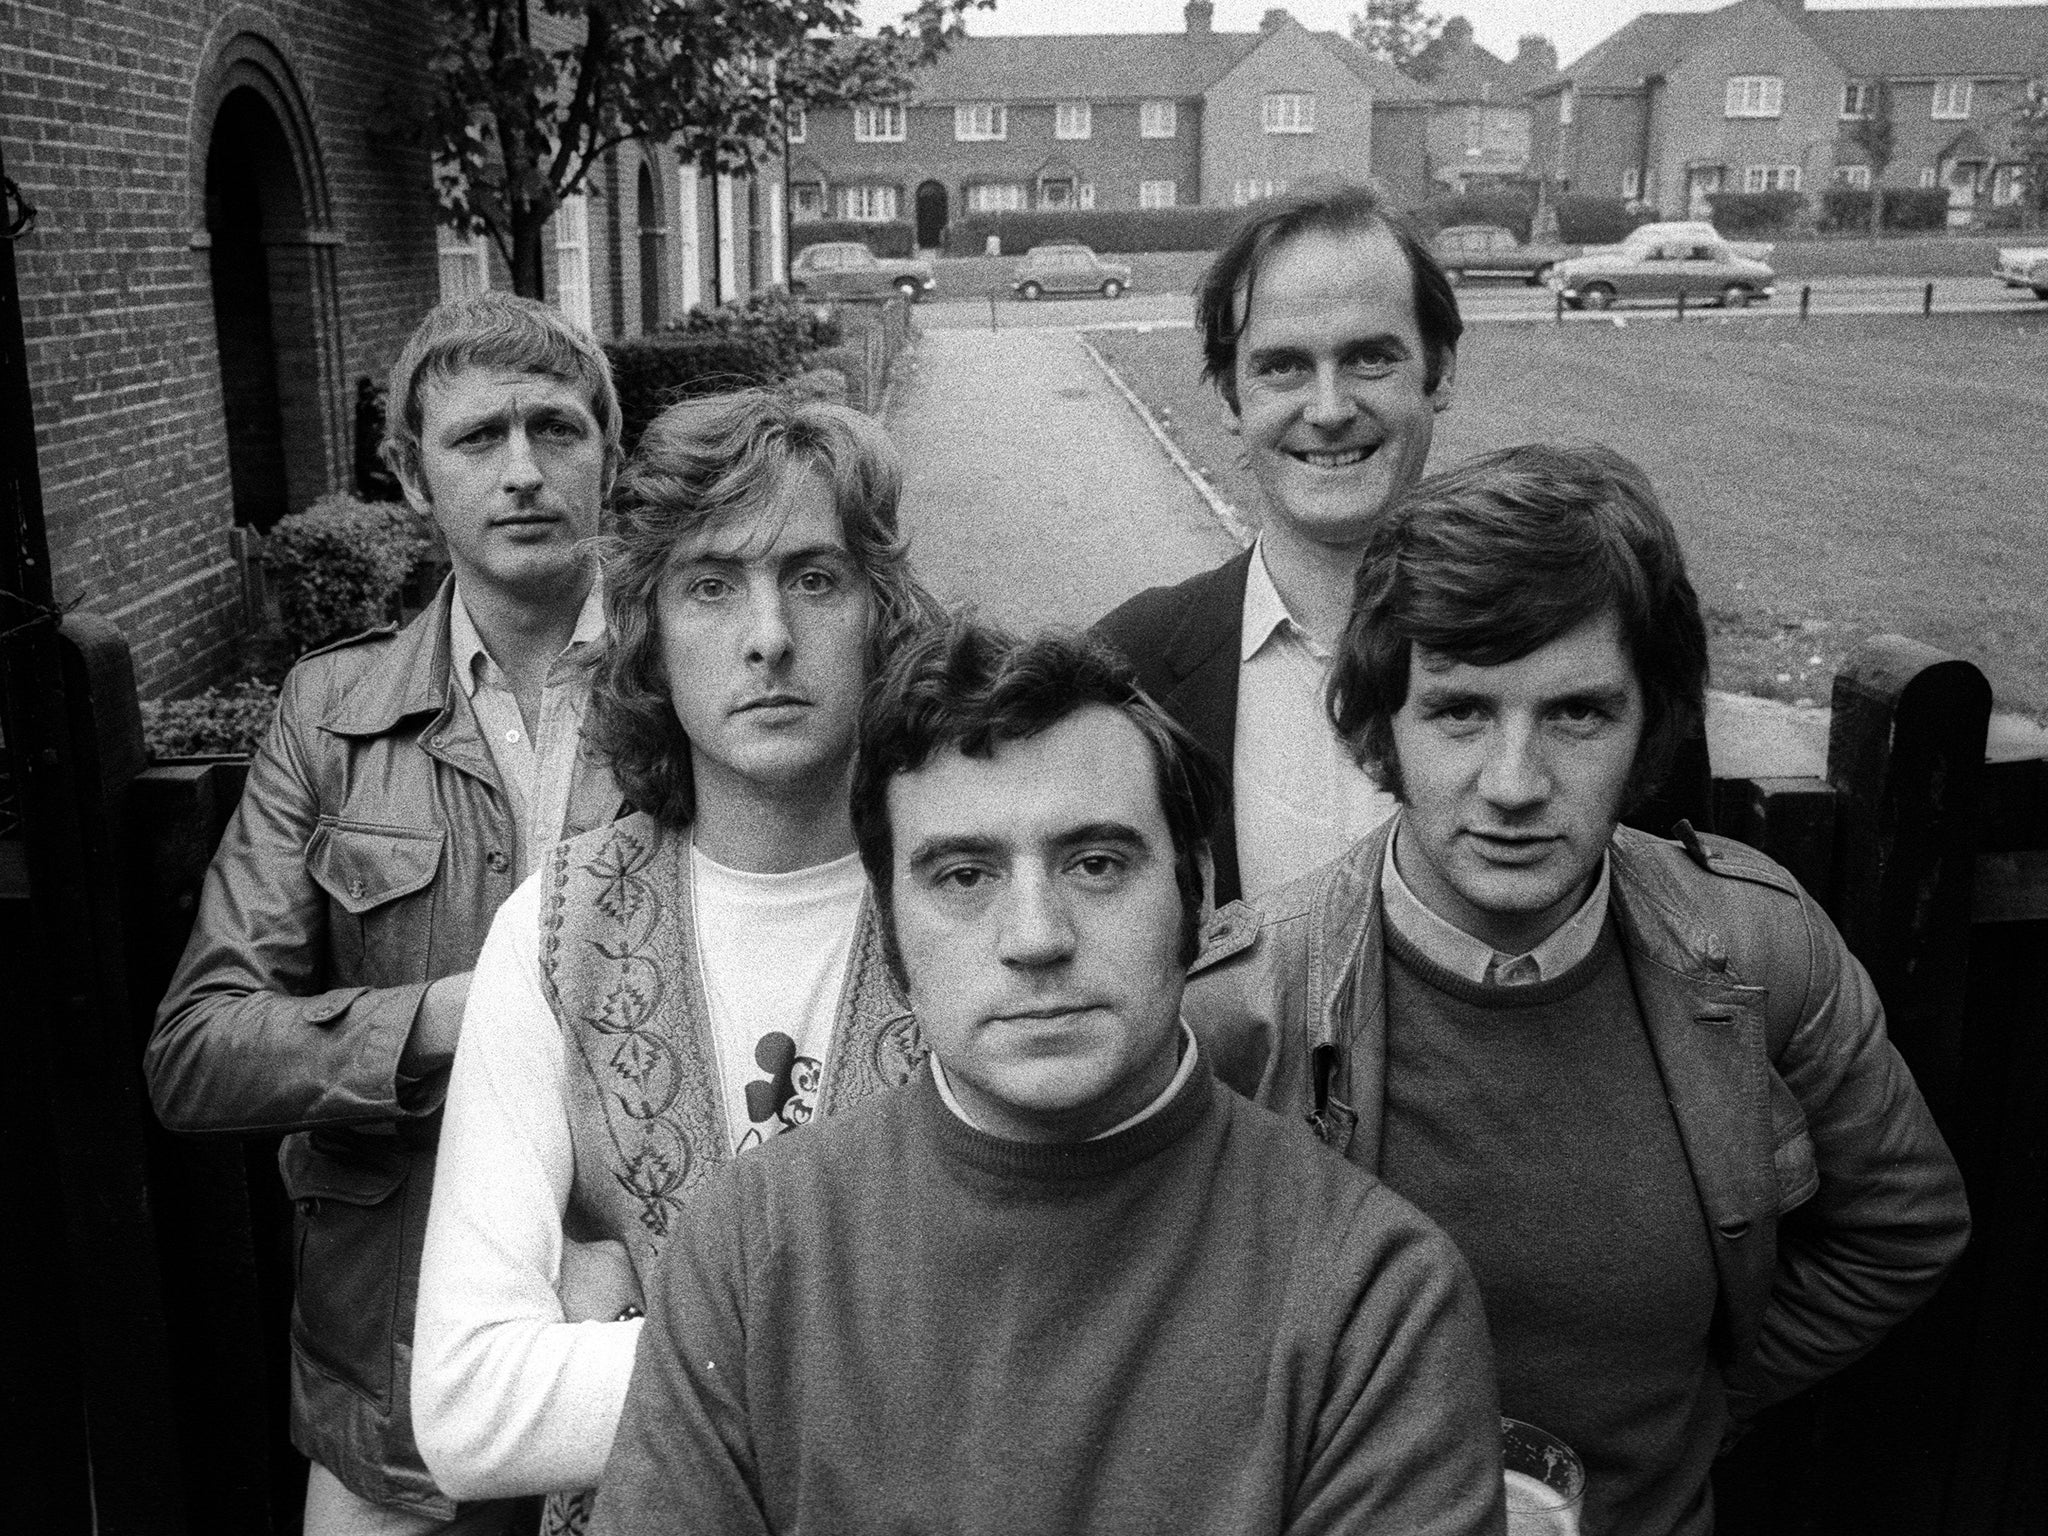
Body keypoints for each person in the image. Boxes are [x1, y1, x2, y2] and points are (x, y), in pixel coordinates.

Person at [1183, 443, 1970, 1535]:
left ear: (1649, 723)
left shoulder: (1755, 951)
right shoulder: (1239, 1006)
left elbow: (1903, 1226)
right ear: (1379, 727)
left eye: (1576, 715)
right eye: (1459, 711)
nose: (1513, 785)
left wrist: (1698, 1410)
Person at [589, 621, 1509, 1536]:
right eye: (963, 876)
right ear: (891, 925)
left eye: (1096, 864)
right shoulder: (751, 1249)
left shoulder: (1375, 1297)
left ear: (1196, 888)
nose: (1035, 937)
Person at [409, 390, 938, 1528]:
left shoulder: (970, 896)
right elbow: (467, 1409)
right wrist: (896, 1356)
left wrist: (619, 1346)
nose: (768, 635)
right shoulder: (560, 932)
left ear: (878, 610)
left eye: (813, 577)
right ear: (645, 621)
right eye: (711, 584)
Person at [147, 292, 628, 1534]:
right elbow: (198, 1051)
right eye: (477, 440)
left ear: (606, 455)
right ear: (414, 480)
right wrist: (453, 1019)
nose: (522, 470)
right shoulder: (332, 715)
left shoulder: (695, 686)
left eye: (556, 429)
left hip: (650, 1358)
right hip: (392, 1379)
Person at [1093, 182, 1710, 909]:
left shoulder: (1595, 654)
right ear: (1231, 395)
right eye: (1283, 366)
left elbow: (1675, 930)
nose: (1328, 410)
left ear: (1440, 370)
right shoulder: (1129, 670)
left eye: (1369, 359)